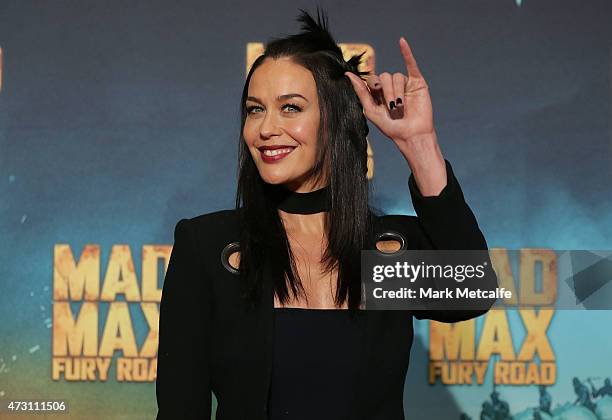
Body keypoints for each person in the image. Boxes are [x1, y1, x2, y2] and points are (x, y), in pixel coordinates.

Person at [155, 7, 498, 420]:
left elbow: (472, 291)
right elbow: (180, 408)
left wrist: (419, 142)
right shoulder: (207, 247)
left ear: (334, 119)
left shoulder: (382, 256)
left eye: (291, 108)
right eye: (254, 109)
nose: (264, 128)